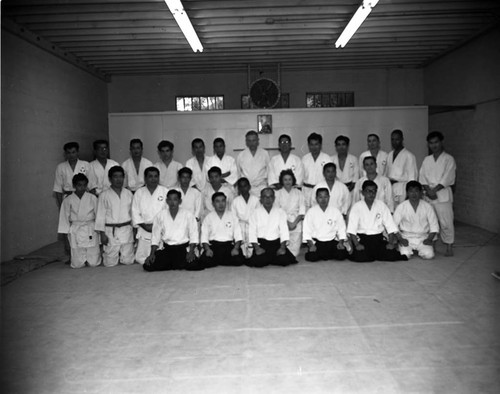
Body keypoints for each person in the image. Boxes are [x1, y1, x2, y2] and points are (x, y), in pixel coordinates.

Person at [347, 180, 408, 262]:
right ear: (363, 193)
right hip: (362, 239)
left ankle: (374, 253)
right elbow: (352, 229)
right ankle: (371, 254)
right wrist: (357, 244)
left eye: (374, 191)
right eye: (368, 191)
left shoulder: (381, 205)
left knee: (391, 254)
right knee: (361, 256)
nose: (371, 194)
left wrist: (390, 243)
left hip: (377, 239)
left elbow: (390, 226)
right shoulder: (356, 207)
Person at [143, 190, 204, 271]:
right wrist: (152, 254)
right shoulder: (160, 216)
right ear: (167, 201)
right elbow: (155, 237)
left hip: (183, 250)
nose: (172, 202)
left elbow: (193, 235)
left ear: (180, 201)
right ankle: (174, 264)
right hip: (168, 250)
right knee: (148, 266)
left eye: (175, 199)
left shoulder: (188, 215)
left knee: (196, 265)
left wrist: (191, 252)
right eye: (170, 199)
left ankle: (172, 264)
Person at [419, 131, 457, 257]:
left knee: (446, 222)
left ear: (441, 142)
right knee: (431, 222)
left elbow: (448, 177)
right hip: (429, 195)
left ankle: (449, 246)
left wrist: (434, 190)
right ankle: (432, 244)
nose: (434, 145)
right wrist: (428, 190)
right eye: (431, 143)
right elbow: (422, 176)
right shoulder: (427, 160)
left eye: (436, 142)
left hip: (443, 194)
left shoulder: (448, 159)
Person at [57, 173, 101, 268]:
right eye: (79, 185)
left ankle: (91, 258)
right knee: (77, 265)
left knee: (94, 263)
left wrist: (101, 232)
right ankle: (78, 259)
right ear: (74, 186)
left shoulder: (92, 198)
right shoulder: (67, 200)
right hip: (76, 229)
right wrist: (65, 240)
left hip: (90, 228)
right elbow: (64, 220)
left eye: (84, 185)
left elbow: (99, 216)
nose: (82, 188)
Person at [95, 166, 135, 267]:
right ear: (110, 179)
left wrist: (135, 230)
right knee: (110, 263)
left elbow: (133, 213)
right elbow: (100, 216)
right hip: (110, 231)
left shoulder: (128, 193)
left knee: (128, 261)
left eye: (121, 176)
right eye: (115, 177)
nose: (119, 179)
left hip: (126, 229)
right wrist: (102, 234)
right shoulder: (104, 195)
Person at [247, 188, 297, 267]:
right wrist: (257, 248)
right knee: (258, 262)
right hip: (262, 244)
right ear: (261, 199)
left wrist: (282, 247)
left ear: (274, 198)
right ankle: (270, 258)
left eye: (270, 197)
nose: (268, 199)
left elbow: (284, 231)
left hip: (276, 244)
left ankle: (270, 258)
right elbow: (252, 232)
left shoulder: (280, 212)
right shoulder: (254, 213)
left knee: (284, 261)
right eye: (265, 197)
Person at [131, 167, 169, 265]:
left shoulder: (165, 191)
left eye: (156, 176)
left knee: (161, 257)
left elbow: (169, 211)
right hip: (144, 228)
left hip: (161, 228)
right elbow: (135, 211)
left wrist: (157, 226)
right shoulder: (139, 192)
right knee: (140, 259)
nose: (153, 179)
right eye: (150, 176)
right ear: (145, 178)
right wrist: (145, 226)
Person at [393, 181, 439, 260]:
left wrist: (429, 239)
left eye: (416, 191)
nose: (414, 194)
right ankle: (405, 248)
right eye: (411, 191)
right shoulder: (401, 206)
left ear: (421, 193)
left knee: (429, 255)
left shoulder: (427, 206)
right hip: (406, 237)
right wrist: (400, 239)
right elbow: (393, 225)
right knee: (405, 255)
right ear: (407, 193)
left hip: (422, 237)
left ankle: (419, 249)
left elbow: (434, 225)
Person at [303, 188, 349, 262]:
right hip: (317, 242)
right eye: (320, 197)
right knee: (312, 257)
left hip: (331, 241)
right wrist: (311, 245)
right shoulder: (311, 212)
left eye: (325, 197)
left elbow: (341, 228)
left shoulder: (335, 211)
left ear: (329, 197)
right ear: (316, 198)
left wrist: (341, 242)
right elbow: (306, 230)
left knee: (342, 255)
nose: (323, 199)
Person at [200, 192, 245, 267]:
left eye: (223, 201)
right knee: (204, 261)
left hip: (228, 246)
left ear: (226, 202)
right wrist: (207, 249)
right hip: (214, 246)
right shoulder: (208, 217)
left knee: (239, 260)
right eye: (217, 201)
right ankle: (221, 261)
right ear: (213, 203)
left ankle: (219, 261)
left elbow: (238, 235)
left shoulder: (232, 216)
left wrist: (236, 248)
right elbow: (204, 236)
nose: (221, 204)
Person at [385, 129, 418, 210]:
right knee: (392, 212)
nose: (394, 142)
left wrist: (409, 194)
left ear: (402, 139)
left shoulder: (409, 155)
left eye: (397, 139)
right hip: (391, 188)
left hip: (403, 188)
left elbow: (412, 177)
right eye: (392, 139)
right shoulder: (389, 155)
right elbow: (386, 173)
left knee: (404, 212)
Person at [274, 170, 305, 257]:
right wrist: (287, 223)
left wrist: (294, 223)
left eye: (290, 179)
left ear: (293, 180)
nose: (288, 182)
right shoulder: (277, 194)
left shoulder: (299, 193)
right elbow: (277, 211)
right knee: (282, 249)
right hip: (283, 221)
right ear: (281, 181)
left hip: (296, 221)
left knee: (294, 253)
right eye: (285, 179)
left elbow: (302, 210)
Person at [53, 142, 90, 208]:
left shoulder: (86, 165)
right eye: (68, 153)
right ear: (65, 154)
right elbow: (58, 189)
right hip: (68, 198)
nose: (71, 155)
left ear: (78, 152)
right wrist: (61, 207)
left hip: (84, 197)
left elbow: (91, 185)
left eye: (73, 152)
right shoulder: (60, 167)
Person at [231, 177, 261, 259]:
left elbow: (258, 216)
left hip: (252, 226)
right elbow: (234, 218)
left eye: (245, 186)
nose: (243, 188)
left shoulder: (255, 200)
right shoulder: (235, 201)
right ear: (238, 188)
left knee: (252, 247)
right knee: (241, 248)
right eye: (240, 186)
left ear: (249, 187)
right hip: (240, 226)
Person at [301, 132, 333, 209]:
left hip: (321, 191)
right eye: (311, 144)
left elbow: (331, 176)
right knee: (307, 215)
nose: (314, 147)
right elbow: (300, 177)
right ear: (308, 145)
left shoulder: (327, 158)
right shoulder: (304, 159)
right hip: (307, 190)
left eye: (316, 144)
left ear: (320, 145)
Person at [236, 130, 270, 196]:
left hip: (261, 187)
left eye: (254, 140)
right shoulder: (241, 155)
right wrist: (238, 189)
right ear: (246, 142)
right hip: (246, 188)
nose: (252, 143)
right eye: (249, 141)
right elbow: (238, 173)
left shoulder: (264, 153)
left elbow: (269, 171)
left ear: (258, 141)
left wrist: (269, 186)